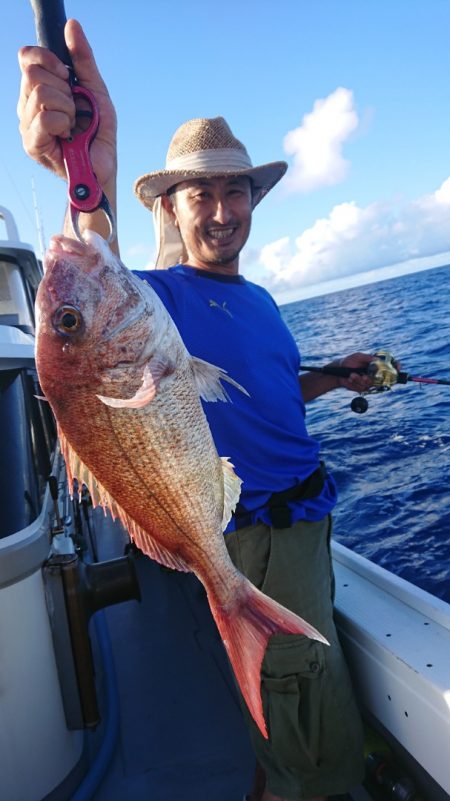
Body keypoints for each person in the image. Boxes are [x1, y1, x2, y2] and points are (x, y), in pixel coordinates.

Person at [18, 20, 374, 801]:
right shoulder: (160, 300)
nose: (220, 208)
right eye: (199, 192)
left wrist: (331, 377)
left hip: (309, 521)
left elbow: (267, 396)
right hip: (251, 538)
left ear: (253, 199)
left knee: (288, 696)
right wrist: (86, 175)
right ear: (171, 210)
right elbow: (96, 269)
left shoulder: (263, 300)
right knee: (299, 711)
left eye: (233, 188)